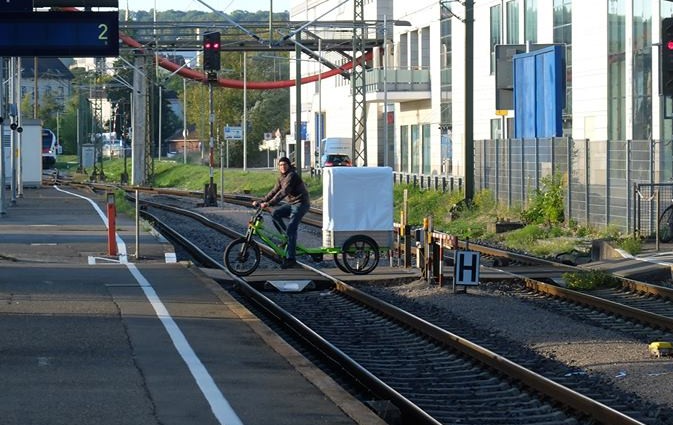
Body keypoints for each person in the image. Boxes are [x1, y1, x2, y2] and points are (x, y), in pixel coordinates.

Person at [252, 157, 310, 268]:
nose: (283, 167)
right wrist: (261, 201)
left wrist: (269, 204)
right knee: (275, 214)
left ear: (289, 165)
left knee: (292, 229)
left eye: (285, 164)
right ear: (279, 167)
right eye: (281, 165)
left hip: (301, 204)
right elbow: (274, 191)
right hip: (292, 204)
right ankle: (286, 238)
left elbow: (283, 192)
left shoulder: (291, 176)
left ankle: (291, 259)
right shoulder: (281, 178)